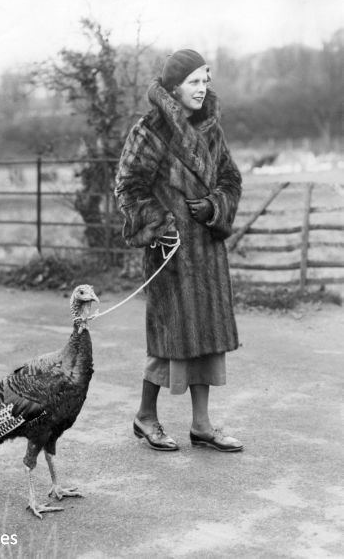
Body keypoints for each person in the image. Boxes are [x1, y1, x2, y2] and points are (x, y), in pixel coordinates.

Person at [115, 49, 243, 453]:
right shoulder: (150, 130)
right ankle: (145, 416)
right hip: (170, 251)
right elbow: (128, 187)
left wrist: (214, 205)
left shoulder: (212, 131)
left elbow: (231, 180)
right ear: (174, 88)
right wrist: (159, 224)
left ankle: (202, 425)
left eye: (206, 80)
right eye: (194, 81)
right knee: (170, 339)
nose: (202, 89)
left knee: (206, 337)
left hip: (207, 247)